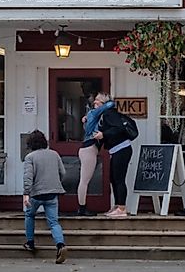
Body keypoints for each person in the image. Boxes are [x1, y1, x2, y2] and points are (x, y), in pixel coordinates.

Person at [23, 130, 68, 264]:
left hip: (36, 194)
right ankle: (60, 245)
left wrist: (26, 193)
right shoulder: (54, 154)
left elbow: (28, 177)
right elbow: (63, 173)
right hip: (52, 193)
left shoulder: (30, 157)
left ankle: (30, 242)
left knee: (29, 215)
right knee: (54, 222)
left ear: (31, 143)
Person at [76, 92, 116, 216]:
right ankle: (82, 208)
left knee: (84, 180)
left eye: (98, 100)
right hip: (89, 148)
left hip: (88, 148)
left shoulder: (92, 115)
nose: (95, 102)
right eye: (96, 100)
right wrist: (106, 102)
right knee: (84, 180)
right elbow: (111, 104)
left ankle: (82, 207)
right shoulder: (94, 113)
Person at [94, 103, 133, 218]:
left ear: (103, 104)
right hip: (116, 150)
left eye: (97, 101)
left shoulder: (109, 114)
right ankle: (117, 206)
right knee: (113, 178)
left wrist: (104, 134)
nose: (94, 103)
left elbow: (118, 128)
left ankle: (122, 208)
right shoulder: (102, 115)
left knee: (119, 178)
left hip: (122, 148)